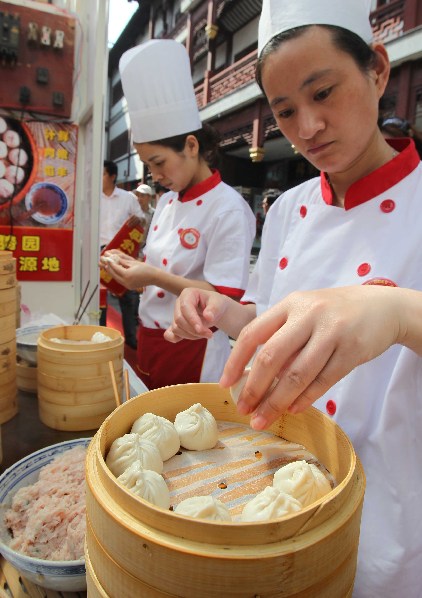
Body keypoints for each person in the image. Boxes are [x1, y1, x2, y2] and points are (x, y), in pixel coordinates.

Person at [164, 1, 422, 596]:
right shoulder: (289, 208)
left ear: (378, 69)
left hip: (389, 502)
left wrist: (400, 312)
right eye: (285, 111)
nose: (307, 127)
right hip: (277, 481)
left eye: (324, 92)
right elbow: (271, 314)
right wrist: (222, 312)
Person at [101, 39, 256, 390]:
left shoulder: (228, 208)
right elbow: (159, 264)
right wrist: (131, 269)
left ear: (191, 145)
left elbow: (224, 297)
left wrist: (151, 276)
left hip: (193, 346)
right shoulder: (168, 201)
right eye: (148, 166)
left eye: (159, 163)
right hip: (150, 334)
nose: (155, 175)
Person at [100, 159, 145, 349]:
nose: (98, 178)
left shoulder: (128, 198)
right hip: (99, 252)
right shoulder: (92, 196)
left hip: (122, 252)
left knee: (127, 296)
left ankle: (131, 339)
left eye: (101, 174)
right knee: (100, 297)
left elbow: (141, 219)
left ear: (112, 176)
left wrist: (139, 219)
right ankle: (100, 334)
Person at [133, 183, 155, 260]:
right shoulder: (132, 213)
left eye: (142, 196)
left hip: (146, 252)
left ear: (149, 197)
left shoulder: (154, 214)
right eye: (137, 195)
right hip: (130, 249)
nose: (139, 198)